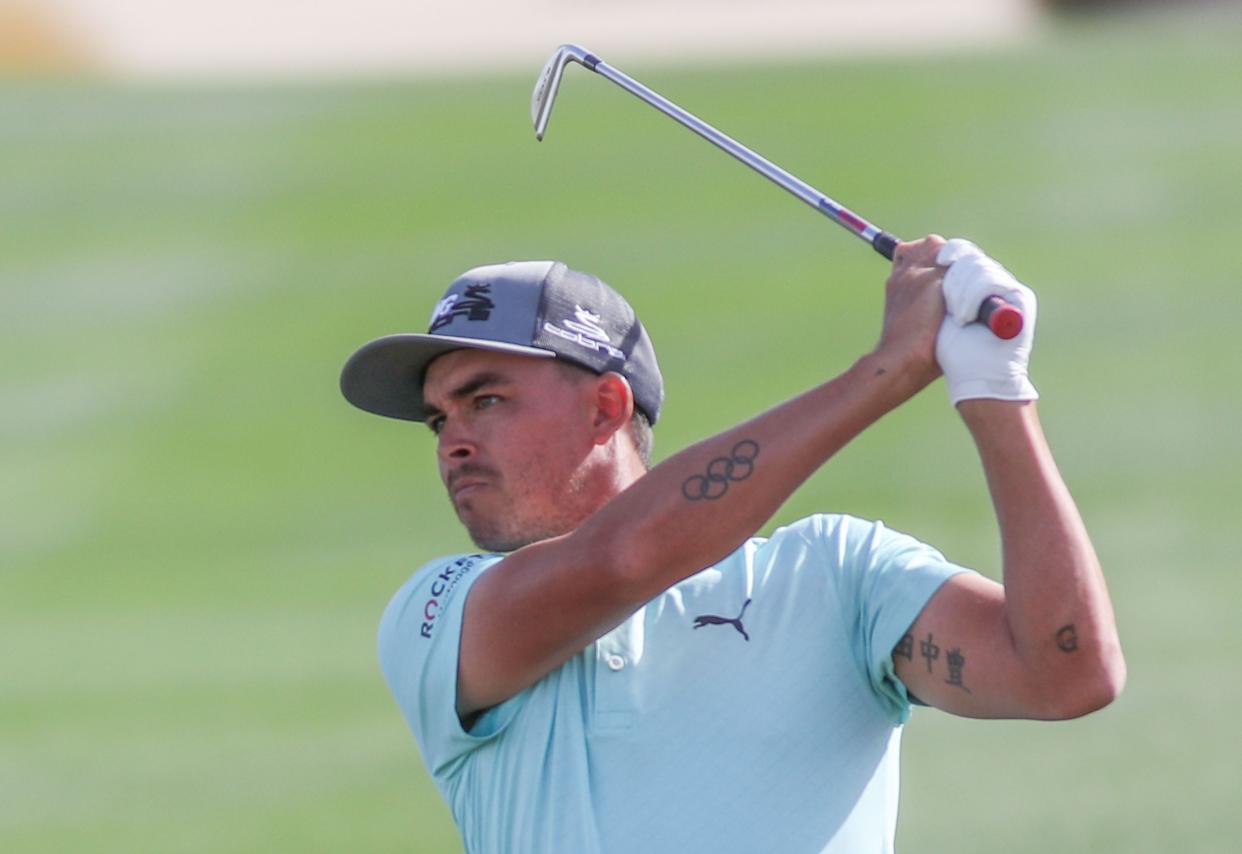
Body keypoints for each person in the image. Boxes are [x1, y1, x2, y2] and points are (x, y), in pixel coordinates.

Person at [339, 236, 1125, 854]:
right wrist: (885, 372)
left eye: (485, 400)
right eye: (441, 418)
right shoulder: (441, 611)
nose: (452, 443)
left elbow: (1067, 673)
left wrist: (993, 391)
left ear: (606, 406)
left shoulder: (838, 576)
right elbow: (622, 560)